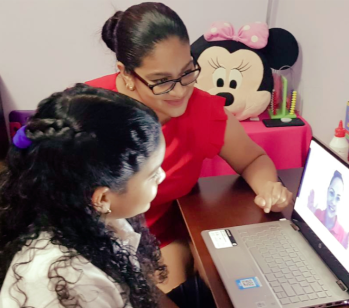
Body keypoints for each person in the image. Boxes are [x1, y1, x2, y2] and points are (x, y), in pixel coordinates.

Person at [85, 2, 293, 299]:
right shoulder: (88, 109)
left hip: (158, 239)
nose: (180, 91)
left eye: (187, 72)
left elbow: (253, 158)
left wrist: (269, 188)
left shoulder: (204, 111)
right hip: (88, 239)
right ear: (127, 74)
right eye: (161, 81)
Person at [0, 84, 184, 307]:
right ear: (102, 198)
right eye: (153, 173)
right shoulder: (69, 281)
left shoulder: (89, 214)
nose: (163, 176)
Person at [308, 170, 349, 249]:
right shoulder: (314, 214)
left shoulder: (342, 235)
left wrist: (343, 252)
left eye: (338, 198)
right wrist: (307, 216)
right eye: (331, 193)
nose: (333, 202)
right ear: (327, 191)